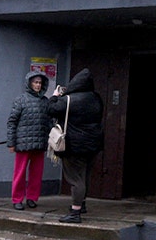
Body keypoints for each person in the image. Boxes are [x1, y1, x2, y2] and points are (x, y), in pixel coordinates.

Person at [47, 68, 104, 223]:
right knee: (85, 175)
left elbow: (51, 110)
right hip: (93, 144)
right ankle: (82, 204)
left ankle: (75, 213)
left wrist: (54, 97)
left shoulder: (68, 100)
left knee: (75, 179)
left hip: (74, 145)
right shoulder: (96, 98)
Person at [6, 71, 52, 210]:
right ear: (29, 83)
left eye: (40, 83)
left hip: (39, 143)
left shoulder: (45, 102)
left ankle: (32, 198)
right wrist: (11, 143)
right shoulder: (20, 100)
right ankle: (17, 199)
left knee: (36, 174)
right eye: (35, 82)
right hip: (23, 143)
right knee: (19, 173)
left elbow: (49, 122)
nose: (38, 85)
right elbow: (12, 122)